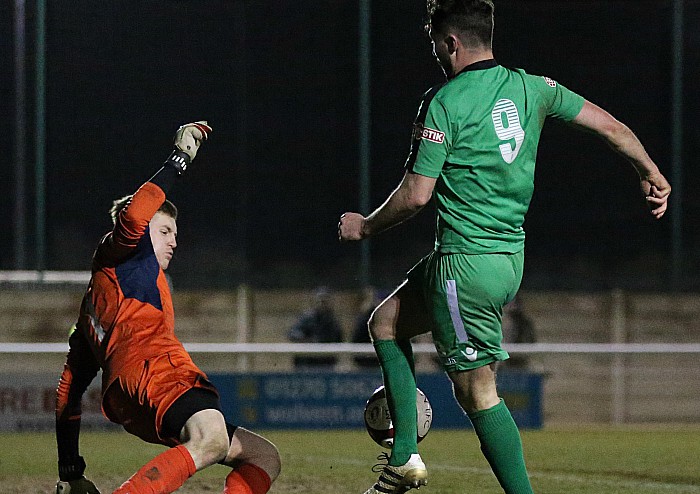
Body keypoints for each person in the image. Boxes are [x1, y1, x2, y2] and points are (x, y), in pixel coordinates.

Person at [338, 1, 671, 493]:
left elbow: (416, 195)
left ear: (450, 42)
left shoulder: (444, 102)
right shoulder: (532, 87)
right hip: (506, 260)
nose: (435, 51)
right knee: (385, 323)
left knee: (478, 392)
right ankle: (405, 454)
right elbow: (612, 129)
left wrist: (364, 226)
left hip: (463, 266)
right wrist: (650, 171)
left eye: (435, 41)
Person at [55, 122, 281, 494]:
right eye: (164, 231)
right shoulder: (124, 254)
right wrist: (179, 158)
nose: (174, 241)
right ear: (142, 231)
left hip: (131, 399)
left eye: (176, 233)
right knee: (211, 438)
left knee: (263, 456)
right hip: (156, 371)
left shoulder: (91, 310)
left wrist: (71, 470)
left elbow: (68, 391)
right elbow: (132, 219)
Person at [287, 286, 344, 370]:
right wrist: (306, 339)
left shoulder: (333, 321)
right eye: (320, 299)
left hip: (325, 363)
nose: (322, 303)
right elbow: (292, 333)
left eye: (325, 300)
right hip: (306, 363)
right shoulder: (307, 318)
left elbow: (338, 341)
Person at [501, 295, 536, 370]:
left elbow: (531, 342)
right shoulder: (500, 324)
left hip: (520, 361)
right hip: (504, 362)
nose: (511, 306)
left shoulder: (526, 324)